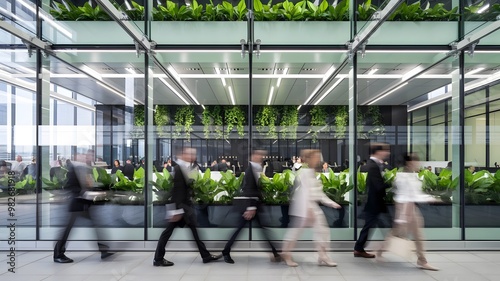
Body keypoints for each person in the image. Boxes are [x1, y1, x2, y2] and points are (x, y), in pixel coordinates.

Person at [153, 147, 222, 266]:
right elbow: (177, 191)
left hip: (185, 208)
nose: (193, 156)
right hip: (181, 208)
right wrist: (176, 210)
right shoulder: (179, 168)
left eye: (194, 154)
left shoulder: (187, 167)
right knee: (168, 233)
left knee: (194, 232)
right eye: (191, 154)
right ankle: (158, 259)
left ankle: (205, 256)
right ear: (184, 155)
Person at [281, 149, 342, 267]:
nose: (318, 159)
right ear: (309, 159)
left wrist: (331, 203)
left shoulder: (311, 172)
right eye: (316, 157)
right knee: (295, 233)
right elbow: (304, 193)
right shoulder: (304, 173)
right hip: (304, 208)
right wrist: (308, 210)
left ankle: (323, 255)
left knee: (322, 231)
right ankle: (286, 254)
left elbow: (318, 194)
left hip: (311, 207)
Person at [222, 149, 282, 264]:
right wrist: (251, 208)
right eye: (259, 155)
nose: (261, 157)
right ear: (253, 156)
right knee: (239, 230)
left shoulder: (256, 168)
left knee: (263, 231)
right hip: (250, 207)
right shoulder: (250, 169)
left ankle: (275, 253)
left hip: (254, 205)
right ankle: (226, 251)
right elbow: (248, 189)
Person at [53, 149, 114, 263]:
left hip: (83, 203)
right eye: (86, 156)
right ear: (77, 157)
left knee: (95, 224)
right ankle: (58, 254)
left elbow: (88, 185)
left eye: (90, 156)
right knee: (67, 229)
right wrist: (83, 193)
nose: (88, 157)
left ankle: (104, 249)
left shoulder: (84, 168)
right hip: (76, 204)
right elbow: (71, 187)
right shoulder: (74, 169)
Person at [388, 153, 439, 271]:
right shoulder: (403, 177)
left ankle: (422, 260)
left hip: (411, 208)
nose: (418, 164)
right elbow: (405, 197)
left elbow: (416, 195)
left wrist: (429, 198)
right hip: (405, 208)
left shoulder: (413, 175)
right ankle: (380, 249)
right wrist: (402, 217)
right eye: (416, 161)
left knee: (417, 235)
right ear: (410, 163)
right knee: (397, 233)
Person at [354, 143, 391, 258]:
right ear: (378, 152)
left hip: (374, 202)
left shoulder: (373, 164)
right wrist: (392, 182)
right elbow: (378, 186)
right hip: (374, 202)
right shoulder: (373, 166)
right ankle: (360, 248)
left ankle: (359, 248)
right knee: (377, 225)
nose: (387, 153)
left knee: (371, 225)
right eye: (385, 150)